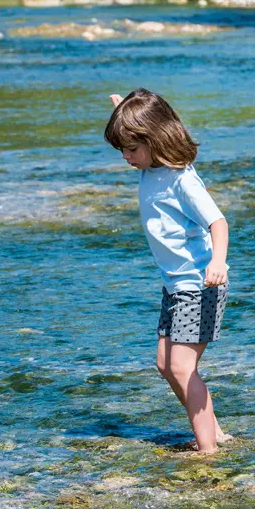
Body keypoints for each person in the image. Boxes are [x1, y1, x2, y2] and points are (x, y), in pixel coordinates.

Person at [105, 88, 231, 454]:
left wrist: (218, 262)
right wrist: (122, 114)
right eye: (121, 150)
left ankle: (207, 452)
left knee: (181, 366)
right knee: (164, 363)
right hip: (175, 286)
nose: (125, 158)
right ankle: (215, 431)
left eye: (130, 150)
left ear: (154, 139)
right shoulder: (150, 164)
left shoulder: (181, 180)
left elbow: (218, 222)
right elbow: (143, 128)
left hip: (200, 285)